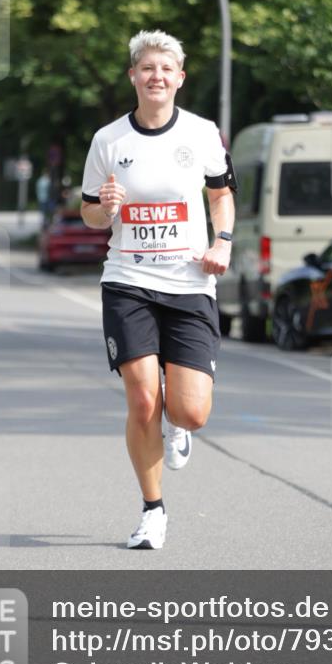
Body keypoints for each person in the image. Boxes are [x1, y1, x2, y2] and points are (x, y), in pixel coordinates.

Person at [80, 29, 236, 550]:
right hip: (128, 281)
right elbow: (89, 215)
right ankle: (153, 511)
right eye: (148, 68)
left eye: (166, 69)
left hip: (191, 283)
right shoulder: (108, 140)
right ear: (133, 76)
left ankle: (180, 425)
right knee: (143, 398)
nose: (157, 77)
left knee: (189, 410)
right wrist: (105, 206)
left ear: (180, 79)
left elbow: (222, 197)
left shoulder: (202, 132)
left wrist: (225, 243)